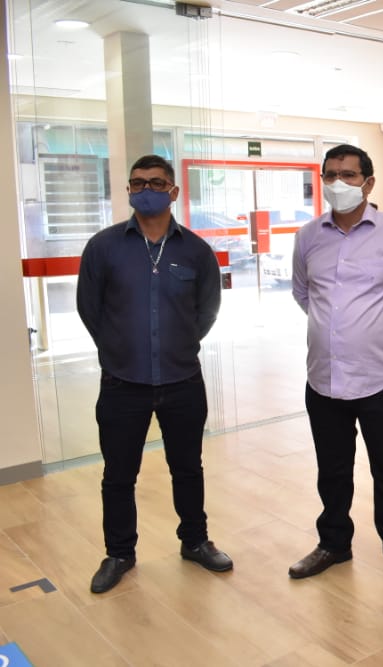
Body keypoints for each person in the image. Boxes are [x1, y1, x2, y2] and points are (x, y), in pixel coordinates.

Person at [77, 154, 231, 594]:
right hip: (122, 383)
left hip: (183, 381)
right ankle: (119, 553)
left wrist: (178, 344)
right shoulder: (104, 247)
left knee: (188, 468)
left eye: (157, 183)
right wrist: (119, 349)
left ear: (174, 191)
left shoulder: (195, 250)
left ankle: (195, 542)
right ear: (128, 190)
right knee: (118, 475)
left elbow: (207, 310)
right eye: (138, 183)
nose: (146, 190)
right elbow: (90, 309)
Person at [288, 144, 383, 592]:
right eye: (330, 174)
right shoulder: (308, 237)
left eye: (348, 175)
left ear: (368, 183)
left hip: (379, 378)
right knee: (332, 470)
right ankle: (333, 544)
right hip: (323, 379)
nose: (338, 183)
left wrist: (380, 331)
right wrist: (338, 331)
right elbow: (304, 293)